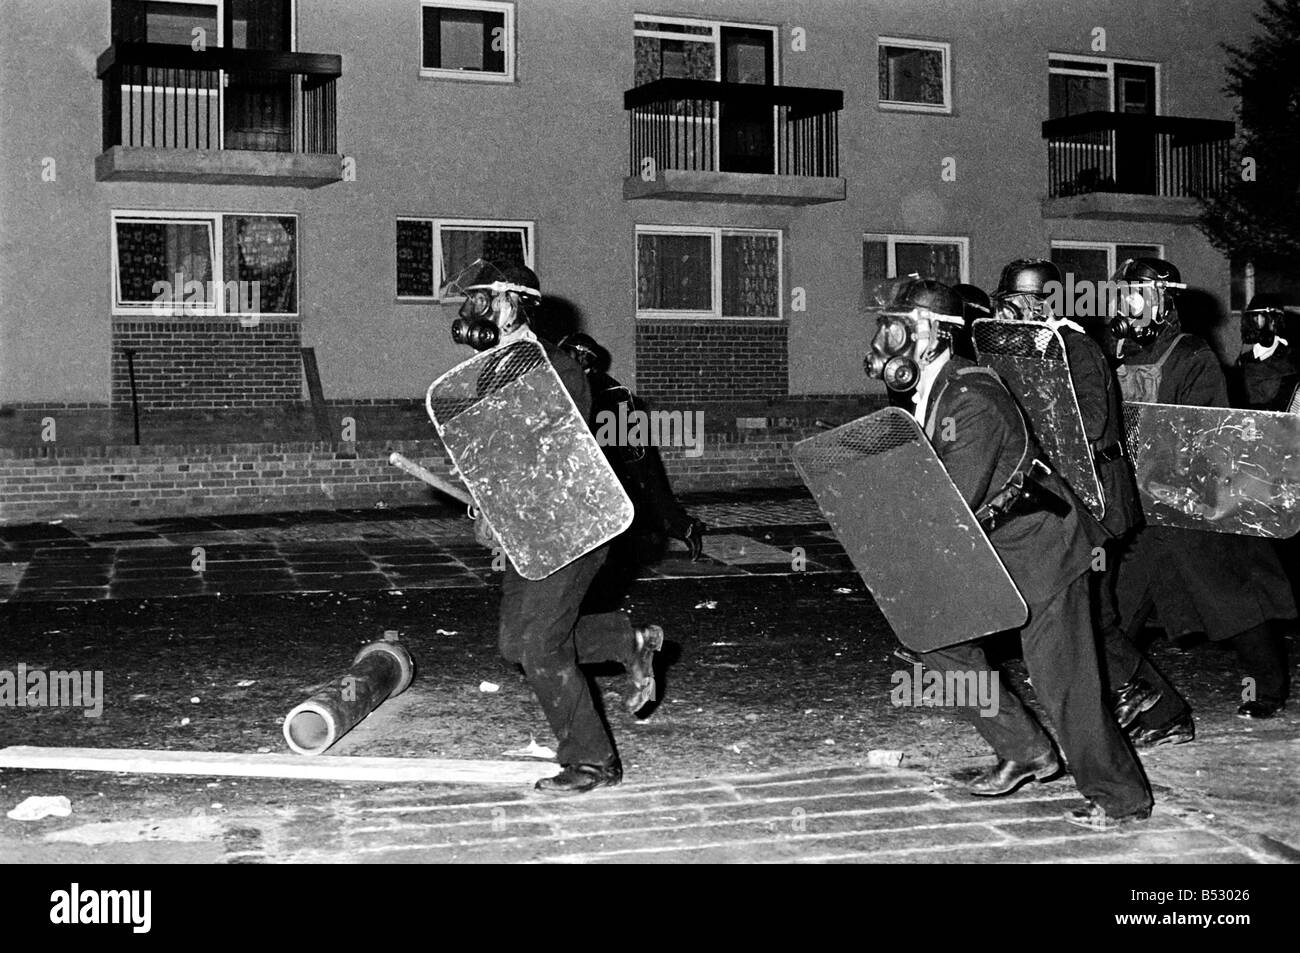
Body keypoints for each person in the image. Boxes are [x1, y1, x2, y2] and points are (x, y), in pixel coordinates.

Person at [865, 277, 1153, 831]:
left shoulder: (973, 399)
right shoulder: (936, 389)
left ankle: (1121, 797)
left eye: (895, 326)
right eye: (884, 326)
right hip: (999, 542)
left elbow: (949, 505)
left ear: (931, 335)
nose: (884, 340)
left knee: (1063, 677)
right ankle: (1023, 750)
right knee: (934, 636)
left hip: (1044, 545)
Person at [448, 260, 665, 794]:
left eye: (480, 300)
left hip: (570, 524)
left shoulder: (557, 366)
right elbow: (500, 454)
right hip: (531, 526)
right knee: (513, 645)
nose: (469, 312)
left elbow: (549, 453)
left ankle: (592, 761)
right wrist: (485, 501)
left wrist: (505, 479)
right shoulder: (497, 368)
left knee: (543, 649)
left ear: (511, 303)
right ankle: (625, 636)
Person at [991, 259, 1193, 747]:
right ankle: (1155, 707)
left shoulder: (1076, 347)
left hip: (1098, 495)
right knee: (1091, 614)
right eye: (1010, 302)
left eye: (1028, 302)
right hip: (1066, 496)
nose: (1017, 312)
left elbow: (1088, 424)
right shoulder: (1027, 350)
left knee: (1091, 616)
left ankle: (1154, 706)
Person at [1109, 258, 1296, 719]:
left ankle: (1266, 687)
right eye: (1122, 294)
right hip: (1142, 501)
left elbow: (1205, 433)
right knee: (1120, 604)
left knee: (1232, 601)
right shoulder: (1119, 353)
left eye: (1137, 295)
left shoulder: (1193, 354)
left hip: (1190, 500)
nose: (1127, 305)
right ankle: (1118, 688)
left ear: (1163, 300)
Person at [558, 332, 708, 561]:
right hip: (593, 457)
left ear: (581, 358)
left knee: (648, 502)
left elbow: (629, 444)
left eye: (566, 354)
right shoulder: (569, 383)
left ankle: (686, 529)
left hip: (619, 458)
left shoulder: (609, 390)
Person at [1236, 293, 1299, 411]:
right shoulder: (1243, 361)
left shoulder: (1293, 358)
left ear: (1275, 321)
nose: (1256, 322)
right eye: (1254, 318)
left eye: (1260, 317)